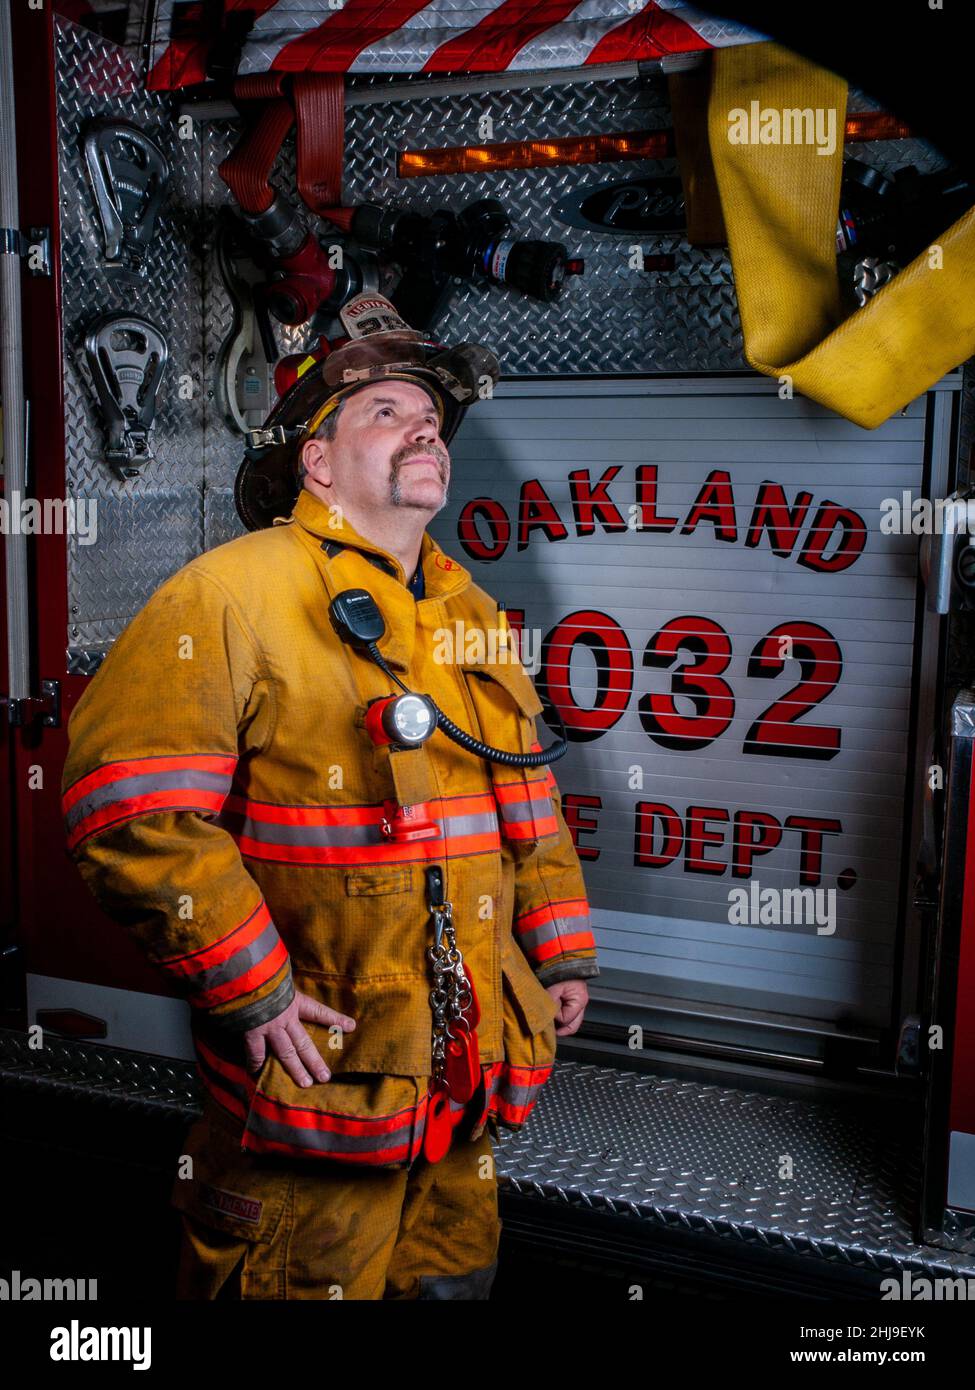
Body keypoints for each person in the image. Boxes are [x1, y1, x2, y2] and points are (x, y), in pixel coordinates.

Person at [61, 293, 598, 1300]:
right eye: (389, 410)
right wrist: (250, 982)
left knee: (449, 1285)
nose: (426, 424)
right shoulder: (233, 594)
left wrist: (558, 945)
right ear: (318, 458)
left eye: (432, 415)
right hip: (317, 1096)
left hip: (458, 1095)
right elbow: (128, 807)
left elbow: (528, 798)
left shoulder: (468, 605)